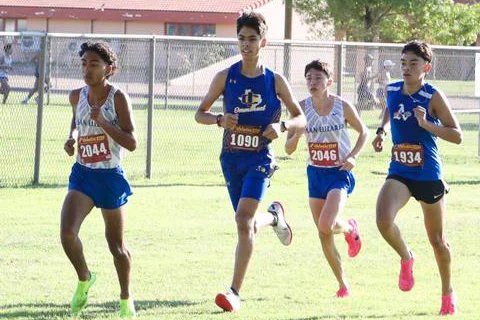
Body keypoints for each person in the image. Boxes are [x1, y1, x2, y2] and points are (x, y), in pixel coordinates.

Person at [195, 10, 306, 312]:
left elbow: (301, 117)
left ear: (264, 42)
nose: (246, 44)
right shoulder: (225, 77)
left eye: (252, 39)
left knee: (243, 222)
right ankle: (273, 217)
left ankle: (234, 293)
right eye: (242, 39)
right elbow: (199, 113)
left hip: (260, 158)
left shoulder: (275, 80)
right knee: (247, 225)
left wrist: (282, 127)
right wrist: (219, 120)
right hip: (231, 160)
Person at [372, 40, 462, 316]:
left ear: (426, 67)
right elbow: (390, 108)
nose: (407, 68)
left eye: (413, 63)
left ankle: (447, 293)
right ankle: (406, 257)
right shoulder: (391, 89)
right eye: (403, 63)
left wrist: (427, 124)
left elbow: (457, 135)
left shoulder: (433, 95)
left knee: (437, 241)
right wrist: (381, 131)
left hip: (428, 175)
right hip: (400, 170)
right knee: (383, 220)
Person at [60, 41, 137, 318]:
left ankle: (126, 300)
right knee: (68, 234)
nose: (87, 69)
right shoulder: (75, 96)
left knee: (116, 247)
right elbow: (77, 122)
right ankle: (84, 278)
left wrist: (104, 123)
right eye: (83, 63)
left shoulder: (118, 98)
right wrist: (72, 140)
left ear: (109, 69)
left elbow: (132, 142)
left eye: (94, 64)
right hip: (83, 175)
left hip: (109, 177)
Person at [285, 60, 368, 298]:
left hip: (339, 172)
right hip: (316, 174)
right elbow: (289, 149)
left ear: (329, 82)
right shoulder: (300, 110)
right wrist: (298, 134)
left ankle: (350, 227)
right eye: (309, 78)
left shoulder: (343, 106)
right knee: (324, 232)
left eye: (318, 78)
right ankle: (343, 284)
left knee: (325, 224)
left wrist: (353, 156)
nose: (313, 82)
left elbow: (364, 131)